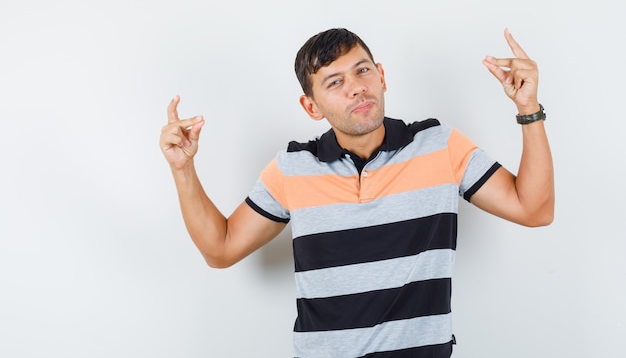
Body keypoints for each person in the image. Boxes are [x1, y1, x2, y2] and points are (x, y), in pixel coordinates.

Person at [159, 27, 554, 358]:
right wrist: (183, 168)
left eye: (362, 71)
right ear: (311, 106)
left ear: (381, 76)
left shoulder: (439, 145)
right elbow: (221, 249)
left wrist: (528, 108)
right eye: (335, 82)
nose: (357, 88)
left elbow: (534, 209)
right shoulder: (293, 167)